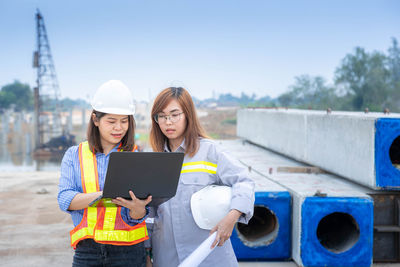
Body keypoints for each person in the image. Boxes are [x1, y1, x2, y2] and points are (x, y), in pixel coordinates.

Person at [147, 87, 255, 266]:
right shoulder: (154, 160)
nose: (168, 122)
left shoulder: (210, 152)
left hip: (210, 254)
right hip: (167, 256)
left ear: (188, 114)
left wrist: (231, 218)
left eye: (175, 115)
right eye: (162, 116)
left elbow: (243, 181)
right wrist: (146, 254)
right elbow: (149, 212)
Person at [58, 80, 152, 267]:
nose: (119, 128)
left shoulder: (136, 156)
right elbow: (65, 199)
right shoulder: (74, 155)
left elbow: (137, 215)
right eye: (111, 121)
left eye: (124, 121)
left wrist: (138, 208)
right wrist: (104, 194)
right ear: (95, 119)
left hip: (129, 252)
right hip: (87, 252)